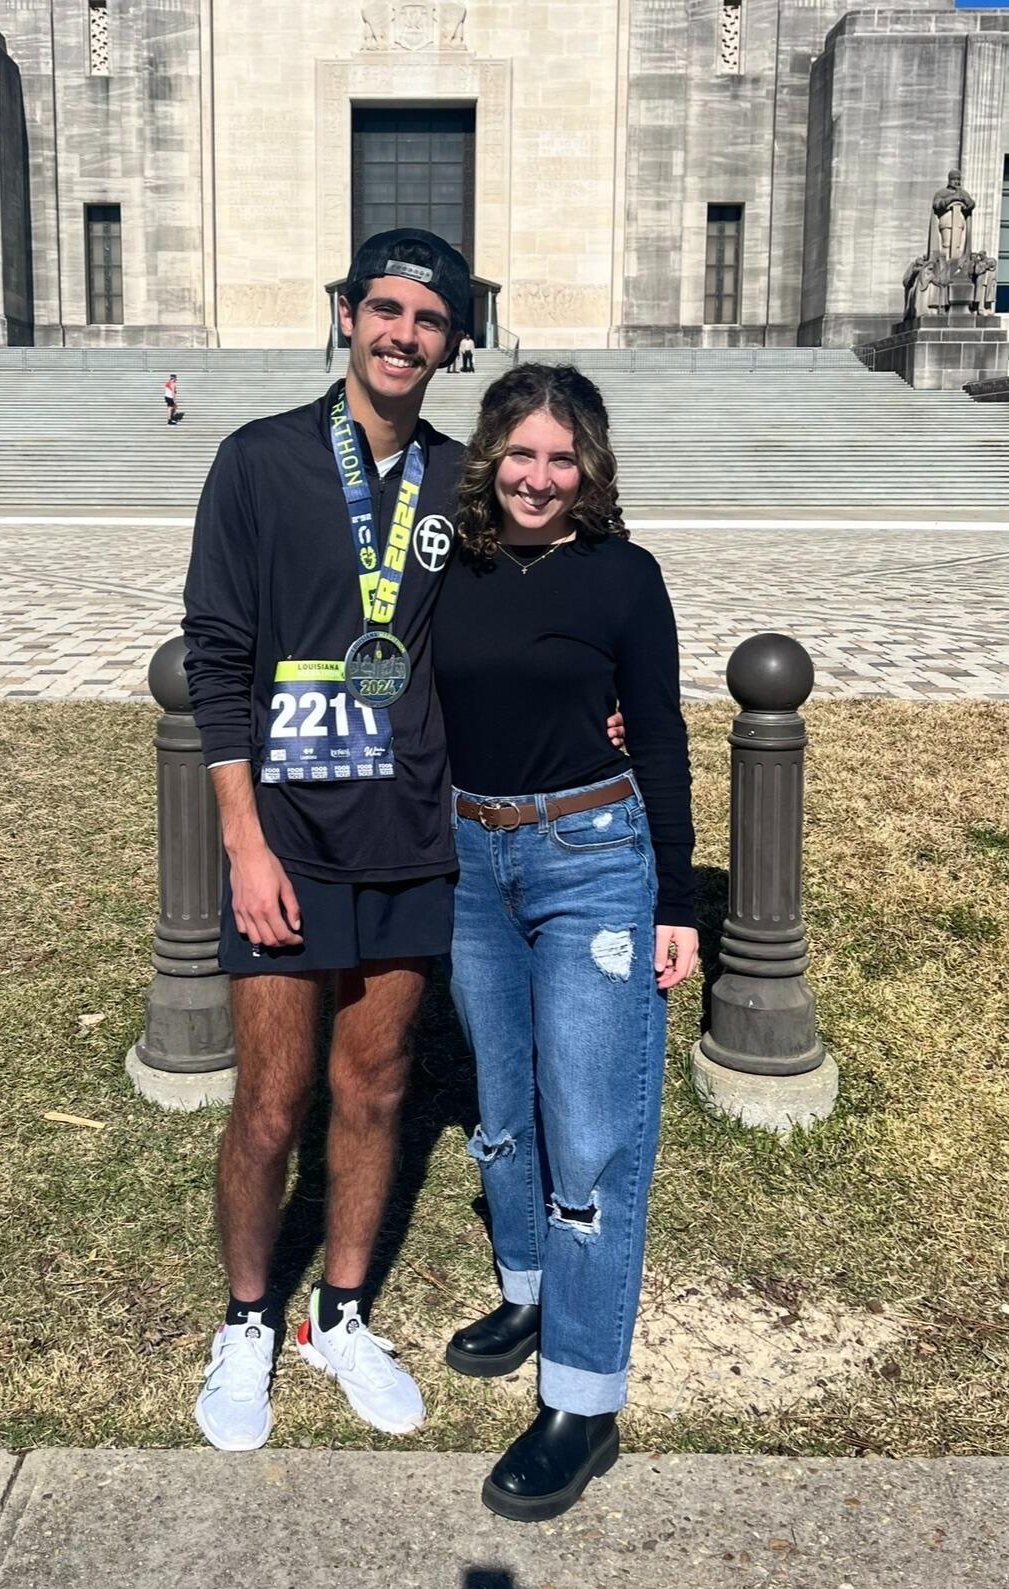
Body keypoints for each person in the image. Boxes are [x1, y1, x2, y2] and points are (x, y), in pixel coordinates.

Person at [182, 228, 475, 1452]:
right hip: (287, 839)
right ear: (349, 313)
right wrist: (244, 845)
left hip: (408, 834)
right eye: (387, 309)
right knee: (271, 1099)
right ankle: (249, 1317)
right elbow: (219, 660)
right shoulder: (260, 461)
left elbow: (514, 637)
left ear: (455, 342)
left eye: (430, 319)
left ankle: (338, 1314)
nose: (404, 333)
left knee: (379, 1086)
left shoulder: (464, 481)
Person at [432, 363, 699, 1522]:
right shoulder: (453, 561)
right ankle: (531, 1287)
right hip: (470, 857)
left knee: (589, 1133)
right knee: (502, 1103)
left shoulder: (624, 578)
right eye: (521, 454)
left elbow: (667, 738)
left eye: (562, 458)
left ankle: (584, 1402)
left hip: (590, 858)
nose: (538, 478)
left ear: (589, 468)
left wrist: (678, 900)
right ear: (490, 457)